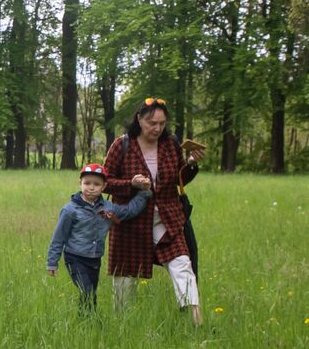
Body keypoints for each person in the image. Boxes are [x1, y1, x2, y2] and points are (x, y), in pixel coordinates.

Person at [102, 97, 205, 325]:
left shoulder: (170, 144)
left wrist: (191, 164)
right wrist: (131, 183)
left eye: (161, 123)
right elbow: (105, 182)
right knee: (125, 278)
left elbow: (179, 179)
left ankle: (197, 322)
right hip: (130, 220)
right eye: (152, 123)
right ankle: (123, 326)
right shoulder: (122, 145)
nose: (157, 128)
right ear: (139, 119)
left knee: (182, 264)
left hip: (166, 218)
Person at [47, 163, 151, 312]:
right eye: (87, 183)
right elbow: (59, 237)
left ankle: (85, 321)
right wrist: (52, 262)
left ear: (104, 187)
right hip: (74, 258)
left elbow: (129, 211)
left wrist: (144, 193)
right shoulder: (70, 210)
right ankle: (93, 321)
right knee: (87, 291)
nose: (91, 187)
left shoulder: (108, 208)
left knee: (90, 293)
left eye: (96, 184)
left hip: (94, 259)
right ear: (80, 183)